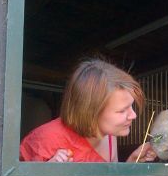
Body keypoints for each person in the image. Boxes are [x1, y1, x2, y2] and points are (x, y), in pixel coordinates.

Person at [20, 59, 157, 163]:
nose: (133, 115)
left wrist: (134, 159)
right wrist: (50, 173)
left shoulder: (109, 136)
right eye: (122, 111)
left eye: (131, 106)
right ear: (90, 113)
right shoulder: (46, 139)